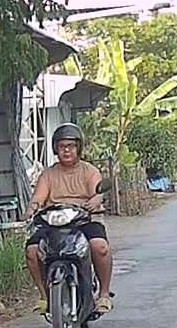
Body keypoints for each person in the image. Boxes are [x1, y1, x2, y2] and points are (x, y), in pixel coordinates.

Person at [25, 124, 114, 315]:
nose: (66, 150)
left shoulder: (89, 171)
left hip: (84, 219)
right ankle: (44, 296)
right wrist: (32, 208)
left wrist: (96, 200)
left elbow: (97, 192)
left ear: (78, 148)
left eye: (71, 146)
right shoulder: (48, 174)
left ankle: (104, 294)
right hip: (53, 221)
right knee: (32, 251)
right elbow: (38, 198)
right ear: (55, 148)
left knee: (100, 247)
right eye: (62, 146)